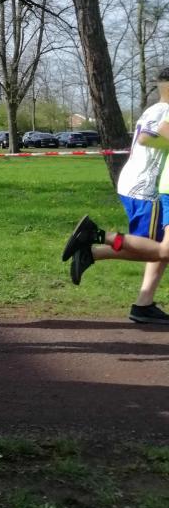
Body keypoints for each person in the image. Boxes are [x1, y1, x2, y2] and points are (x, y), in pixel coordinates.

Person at [62, 68, 169, 323]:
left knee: (160, 249)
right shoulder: (165, 111)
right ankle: (95, 240)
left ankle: (143, 304)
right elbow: (146, 139)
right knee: (156, 251)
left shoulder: (154, 109)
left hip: (136, 183)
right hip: (145, 187)